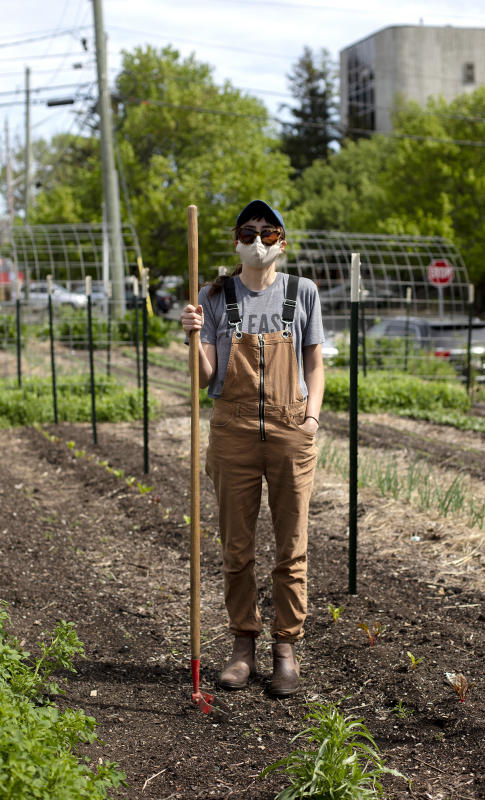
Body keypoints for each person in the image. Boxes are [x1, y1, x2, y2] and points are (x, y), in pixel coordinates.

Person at [181, 200, 325, 697]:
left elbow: (314, 364)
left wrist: (310, 418)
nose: (258, 240)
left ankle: (285, 648)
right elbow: (204, 379)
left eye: (268, 232)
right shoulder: (214, 295)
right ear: (235, 239)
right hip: (233, 431)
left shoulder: (301, 292)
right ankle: (243, 645)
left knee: (292, 547)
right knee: (236, 547)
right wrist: (195, 338)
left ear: (282, 241)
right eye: (249, 231)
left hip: (290, 431)